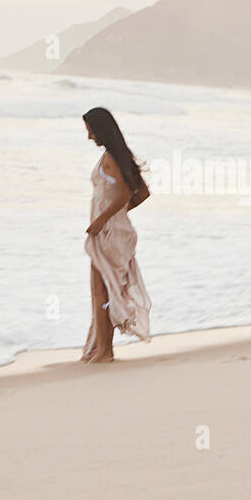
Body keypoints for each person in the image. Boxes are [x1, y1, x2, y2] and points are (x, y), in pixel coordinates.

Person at [80, 107, 151, 362]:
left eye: (90, 131)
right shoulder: (119, 156)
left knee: (101, 290)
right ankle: (101, 349)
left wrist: (102, 219)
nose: (89, 136)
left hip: (108, 232)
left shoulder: (111, 158)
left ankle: (105, 351)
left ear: (101, 130)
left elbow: (124, 194)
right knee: (106, 288)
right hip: (115, 230)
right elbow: (142, 193)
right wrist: (119, 215)